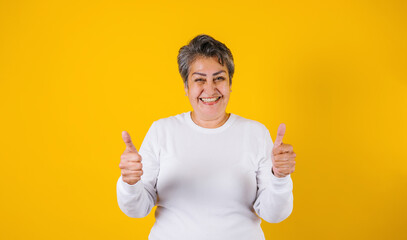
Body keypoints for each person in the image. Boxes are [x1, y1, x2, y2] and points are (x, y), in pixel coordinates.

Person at [116, 34, 296, 240]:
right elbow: (137, 210)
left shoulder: (255, 133)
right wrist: (129, 183)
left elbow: (275, 215)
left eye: (219, 78)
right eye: (199, 80)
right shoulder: (162, 131)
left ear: (230, 84)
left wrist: (280, 178)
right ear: (186, 87)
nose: (209, 89)